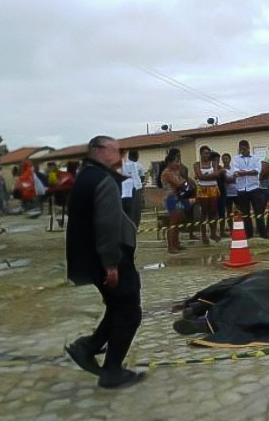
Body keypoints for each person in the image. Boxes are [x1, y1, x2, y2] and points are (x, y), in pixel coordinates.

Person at [64, 136, 144, 389]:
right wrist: (111, 264)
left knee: (117, 307)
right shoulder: (102, 180)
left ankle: (86, 347)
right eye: (115, 150)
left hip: (90, 257)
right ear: (98, 150)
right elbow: (107, 224)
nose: (119, 156)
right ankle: (112, 371)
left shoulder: (85, 176)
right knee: (129, 311)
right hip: (110, 258)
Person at [232, 140, 268, 238]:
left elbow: (257, 171)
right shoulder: (235, 159)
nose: (242, 151)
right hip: (241, 189)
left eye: (244, 149)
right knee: (245, 212)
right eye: (240, 149)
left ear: (248, 148)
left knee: (259, 211)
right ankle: (248, 234)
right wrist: (247, 172)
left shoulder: (256, 158)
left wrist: (243, 172)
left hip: (254, 188)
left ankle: (263, 233)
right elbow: (235, 172)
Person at [160, 151, 190, 254]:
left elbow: (183, 182)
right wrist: (185, 181)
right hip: (171, 198)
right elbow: (179, 184)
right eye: (176, 161)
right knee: (173, 223)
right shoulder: (167, 173)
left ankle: (176, 243)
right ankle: (171, 246)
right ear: (169, 162)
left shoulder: (174, 172)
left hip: (177, 197)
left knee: (177, 222)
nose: (178, 164)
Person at [193, 146, 221, 244]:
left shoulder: (214, 162)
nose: (206, 155)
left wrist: (204, 177)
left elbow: (217, 175)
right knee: (204, 212)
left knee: (213, 211)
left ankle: (213, 233)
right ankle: (204, 235)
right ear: (200, 154)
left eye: (208, 153)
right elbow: (200, 176)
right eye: (204, 153)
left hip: (213, 188)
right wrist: (206, 177)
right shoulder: (197, 164)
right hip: (203, 189)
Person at [119, 150, 143, 227]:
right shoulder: (138, 165)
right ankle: (133, 227)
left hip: (126, 192)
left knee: (130, 212)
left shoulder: (124, 165)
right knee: (135, 212)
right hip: (134, 190)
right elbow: (142, 177)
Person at [220, 153, 237, 237]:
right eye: (223, 159)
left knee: (238, 210)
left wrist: (233, 178)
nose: (225, 160)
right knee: (229, 211)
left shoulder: (234, 169)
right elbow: (227, 180)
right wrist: (233, 178)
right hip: (227, 193)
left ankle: (239, 227)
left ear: (230, 159)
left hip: (236, 192)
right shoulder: (222, 170)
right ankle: (231, 229)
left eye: (226, 158)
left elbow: (237, 178)